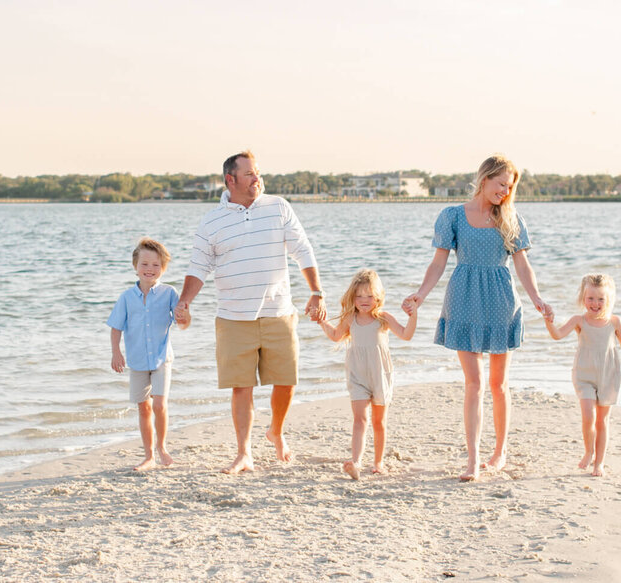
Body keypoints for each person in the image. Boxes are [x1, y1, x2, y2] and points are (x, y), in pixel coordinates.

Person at [402, 154, 553, 481]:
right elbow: (438, 263)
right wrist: (420, 294)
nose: (504, 192)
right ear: (484, 178)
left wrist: (537, 298)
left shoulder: (511, 218)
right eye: (500, 184)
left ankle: (499, 452)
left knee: (498, 385)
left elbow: (523, 266)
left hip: (501, 301)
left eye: (509, 187)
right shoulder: (453, 216)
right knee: (475, 383)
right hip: (464, 299)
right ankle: (472, 459)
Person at [175, 151, 327, 474]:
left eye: (258, 172)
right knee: (241, 387)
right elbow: (198, 267)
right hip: (233, 316)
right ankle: (244, 452)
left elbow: (302, 250)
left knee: (286, 381)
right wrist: (184, 301)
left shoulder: (279, 207)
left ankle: (276, 431)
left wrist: (316, 291)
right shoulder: (211, 221)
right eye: (249, 174)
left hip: (278, 311)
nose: (257, 178)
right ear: (230, 180)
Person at [317, 269, 416, 479]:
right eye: (360, 296)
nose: (364, 300)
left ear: (378, 297)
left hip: (380, 375)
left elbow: (406, 335)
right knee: (360, 419)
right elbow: (336, 336)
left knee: (379, 422)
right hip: (357, 375)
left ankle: (378, 462)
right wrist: (322, 322)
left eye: (369, 296)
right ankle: (356, 462)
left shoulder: (383, 318)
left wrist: (413, 315)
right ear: (352, 297)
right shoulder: (350, 318)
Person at [543, 273, 621, 477]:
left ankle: (599, 463)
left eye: (600, 299)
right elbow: (557, 335)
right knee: (588, 415)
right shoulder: (579, 320)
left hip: (609, 375)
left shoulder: (615, 322)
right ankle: (588, 451)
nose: (595, 303)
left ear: (608, 299)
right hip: (584, 374)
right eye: (590, 298)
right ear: (583, 298)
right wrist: (549, 322)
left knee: (602, 421)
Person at [108, 237, 186, 472]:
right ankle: (149, 455)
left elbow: (182, 322)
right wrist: (116, 353)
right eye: (145, 264)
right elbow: (116, 327)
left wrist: (184, 314)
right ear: (135, 266)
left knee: (160, 405)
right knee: (144, 408)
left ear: (162, 268)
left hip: (163, 359)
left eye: (155, 265)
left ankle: (162, 448)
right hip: (138, 361)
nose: (150, 269)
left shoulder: (169, 293)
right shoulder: (126, 298)